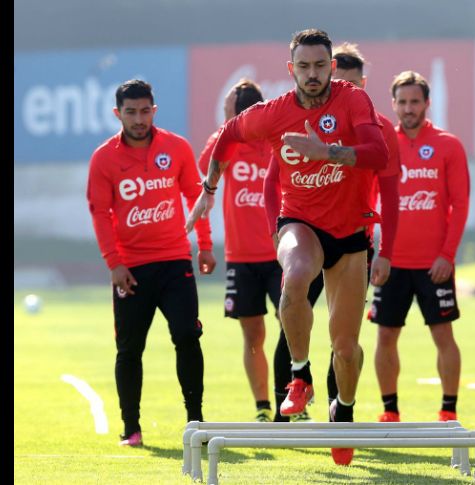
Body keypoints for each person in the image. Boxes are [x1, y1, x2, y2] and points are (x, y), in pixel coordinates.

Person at [186, 29, 389, 465]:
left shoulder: (353, 101)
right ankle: (300, 376)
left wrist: (328, 151)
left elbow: (378, 154)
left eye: (320, 66)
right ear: (290, 69)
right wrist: (209, 186)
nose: (312, 74)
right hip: (301, 222)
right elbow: (228, 134)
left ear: (332, 67)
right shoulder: (275, 112)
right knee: (294, 278)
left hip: (351, 232)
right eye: (304, 66)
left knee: (346, 347)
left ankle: (344, 413)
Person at [261, 42, 401, 413]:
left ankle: (341, 406)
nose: (344, 92)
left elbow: (390, 194)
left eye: (353, 85)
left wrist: (385, 252)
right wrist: (278, 231)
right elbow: (273, 180)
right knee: (292, 306)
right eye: (340, 83)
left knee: (343, 343)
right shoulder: (302, 118)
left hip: (351, 238)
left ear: (364, 84)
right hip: (308, 230)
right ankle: (287, 404)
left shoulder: (379, 129)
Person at [86, 79, 216, 446]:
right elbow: (99, 213)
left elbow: (197, 197)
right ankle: (131, 428)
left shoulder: (176, 148)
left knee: (188, 336)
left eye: (145, 111)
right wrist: (114, 263)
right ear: (118, 114)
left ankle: (196, 421)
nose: (139, 119)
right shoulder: (104, 158)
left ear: (154, 110)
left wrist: (204, 245)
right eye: (131, 112)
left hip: (176, 261)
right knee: (129, 349)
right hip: (131, 269)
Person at [198, 79, 314, 423]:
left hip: (282, 255)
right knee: (253, 336)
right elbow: (203, 182)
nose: (225, 120)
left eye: (227, 113)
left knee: (293, 328)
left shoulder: (278, 140)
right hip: (240, 258)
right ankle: (263, 407)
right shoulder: (225, 143)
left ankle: (294, 403)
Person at [369, 71, 470, 423]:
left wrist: (447, 255)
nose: (408, 108)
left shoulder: (448, 145)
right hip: (391, 263)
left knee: (444, 335)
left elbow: (460, 205)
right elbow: (370, 201)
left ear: (427, 103)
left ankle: (448, 410)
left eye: (415, 101)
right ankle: (390, 411)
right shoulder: (382, 145)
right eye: (402, 102)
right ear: (393, 104)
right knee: (385, 336)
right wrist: (375, 254)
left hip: (434, 264)